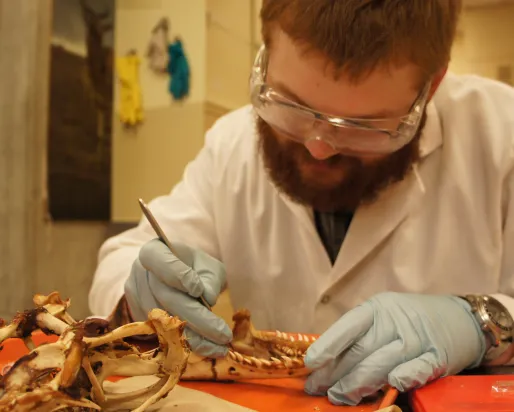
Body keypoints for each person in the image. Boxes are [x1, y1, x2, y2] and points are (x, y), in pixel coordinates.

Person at [89, 0, 514, 406]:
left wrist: (484, 323)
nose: (318, 148)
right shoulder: (231, 145)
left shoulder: (500, 134)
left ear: (431, 87)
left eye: (362, 126)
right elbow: (125, 257)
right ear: (265, 54)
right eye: (291, 105)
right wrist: (139, 295)